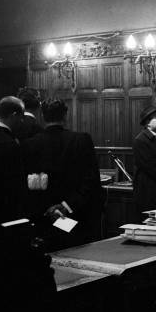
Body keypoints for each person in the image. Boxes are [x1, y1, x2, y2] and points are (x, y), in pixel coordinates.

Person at [22, 98, 104, 249]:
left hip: (43, 219)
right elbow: (91, 181)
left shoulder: (30, 144)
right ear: (65, 116)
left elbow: (28, 184)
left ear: (42, 116)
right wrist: (66, 206)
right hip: (76, 217)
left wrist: (46, 209)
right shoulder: (81, 140)